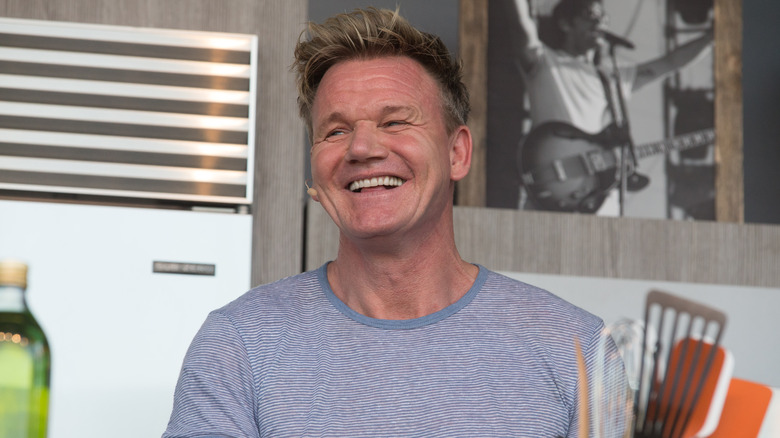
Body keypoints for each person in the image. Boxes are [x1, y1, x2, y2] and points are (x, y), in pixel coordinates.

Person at [163, 7, 628, 437]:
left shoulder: (579, 350)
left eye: (395, 122)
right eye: (336, 130)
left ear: (456, 152)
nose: (362, 148)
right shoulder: (238, 344)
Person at [512, 0, 714, 215]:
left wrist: (712, 38)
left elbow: (671, 62)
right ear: (565, 24)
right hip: (553, 189)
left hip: (600, 200)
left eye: (603, 18)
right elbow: (520, 23)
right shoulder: (544, 61)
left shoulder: (613, 77)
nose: (600, 22)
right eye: (590, 15)